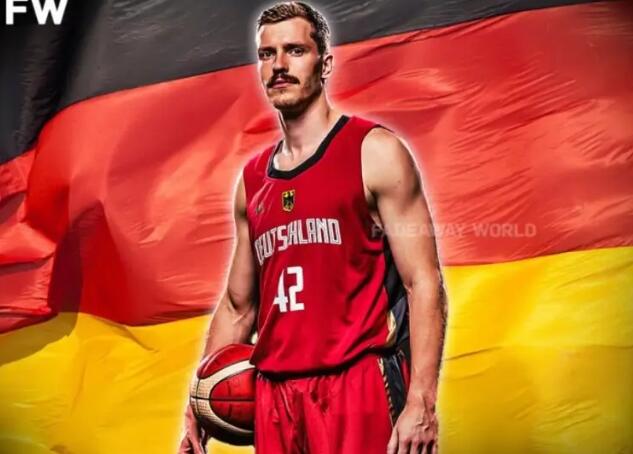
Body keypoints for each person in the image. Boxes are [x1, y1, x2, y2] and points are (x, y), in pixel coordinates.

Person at [179, 2, 446, 453]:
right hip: (276, 399)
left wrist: (422, 399)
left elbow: (423, 282)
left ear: (325, 63)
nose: (279, 65)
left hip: (358, 384)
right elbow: (239, 307)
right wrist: (197, 405)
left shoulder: (373, 152)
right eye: (267, 54)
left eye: (295, 50)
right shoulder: (253, 180)